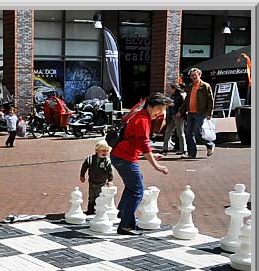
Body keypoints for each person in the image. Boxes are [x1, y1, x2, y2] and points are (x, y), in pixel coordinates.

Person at [110, 93, 171, 236]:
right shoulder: (143, 120)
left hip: (121, 155)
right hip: (124, 158)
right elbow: (143, 144)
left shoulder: (141, 116)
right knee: (137, 190)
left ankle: (123, 214)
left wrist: (151, 155)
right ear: (150, 106)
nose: (160, 114)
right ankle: (125, 225)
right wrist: (156, 166)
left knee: (134, 186)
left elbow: (137, 143)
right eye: (159, 109)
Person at [177, 67, 215, 158]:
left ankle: (209, 144)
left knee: (197, 132)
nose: (193, 77)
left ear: (199, 75)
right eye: (192, 76)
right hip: (190, 113)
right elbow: (186, 100)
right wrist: (181, 111)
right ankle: (191, 154)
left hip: (201, 113)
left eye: (195, 75)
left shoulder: (205, 86)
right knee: (188, 133)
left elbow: (210, 100)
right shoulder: (190, 87)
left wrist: (210, 113)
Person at [80, 139, 114, 215]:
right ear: (97, 150)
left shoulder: (107, 161)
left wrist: (110, 180)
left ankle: (99, 210)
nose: (105, 153)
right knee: (92, 196)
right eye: (103, 150)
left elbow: (110, 171)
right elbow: (84, 167)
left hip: (102, 182)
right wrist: (82, 175)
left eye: (106, 151)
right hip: (92, 181)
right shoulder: (90, 159)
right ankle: (90, 210)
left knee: (100, 196)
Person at [161, 83, 186, 155]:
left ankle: (183, 149)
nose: (170, 90)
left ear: (175, 89)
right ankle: (164, 148)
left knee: (180, 132)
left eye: (171, 89)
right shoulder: (173, 96)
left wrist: (180, 112)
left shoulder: (180, 96)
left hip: (178, 116)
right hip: (172, 115)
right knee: (168, 131)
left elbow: (184, 105)